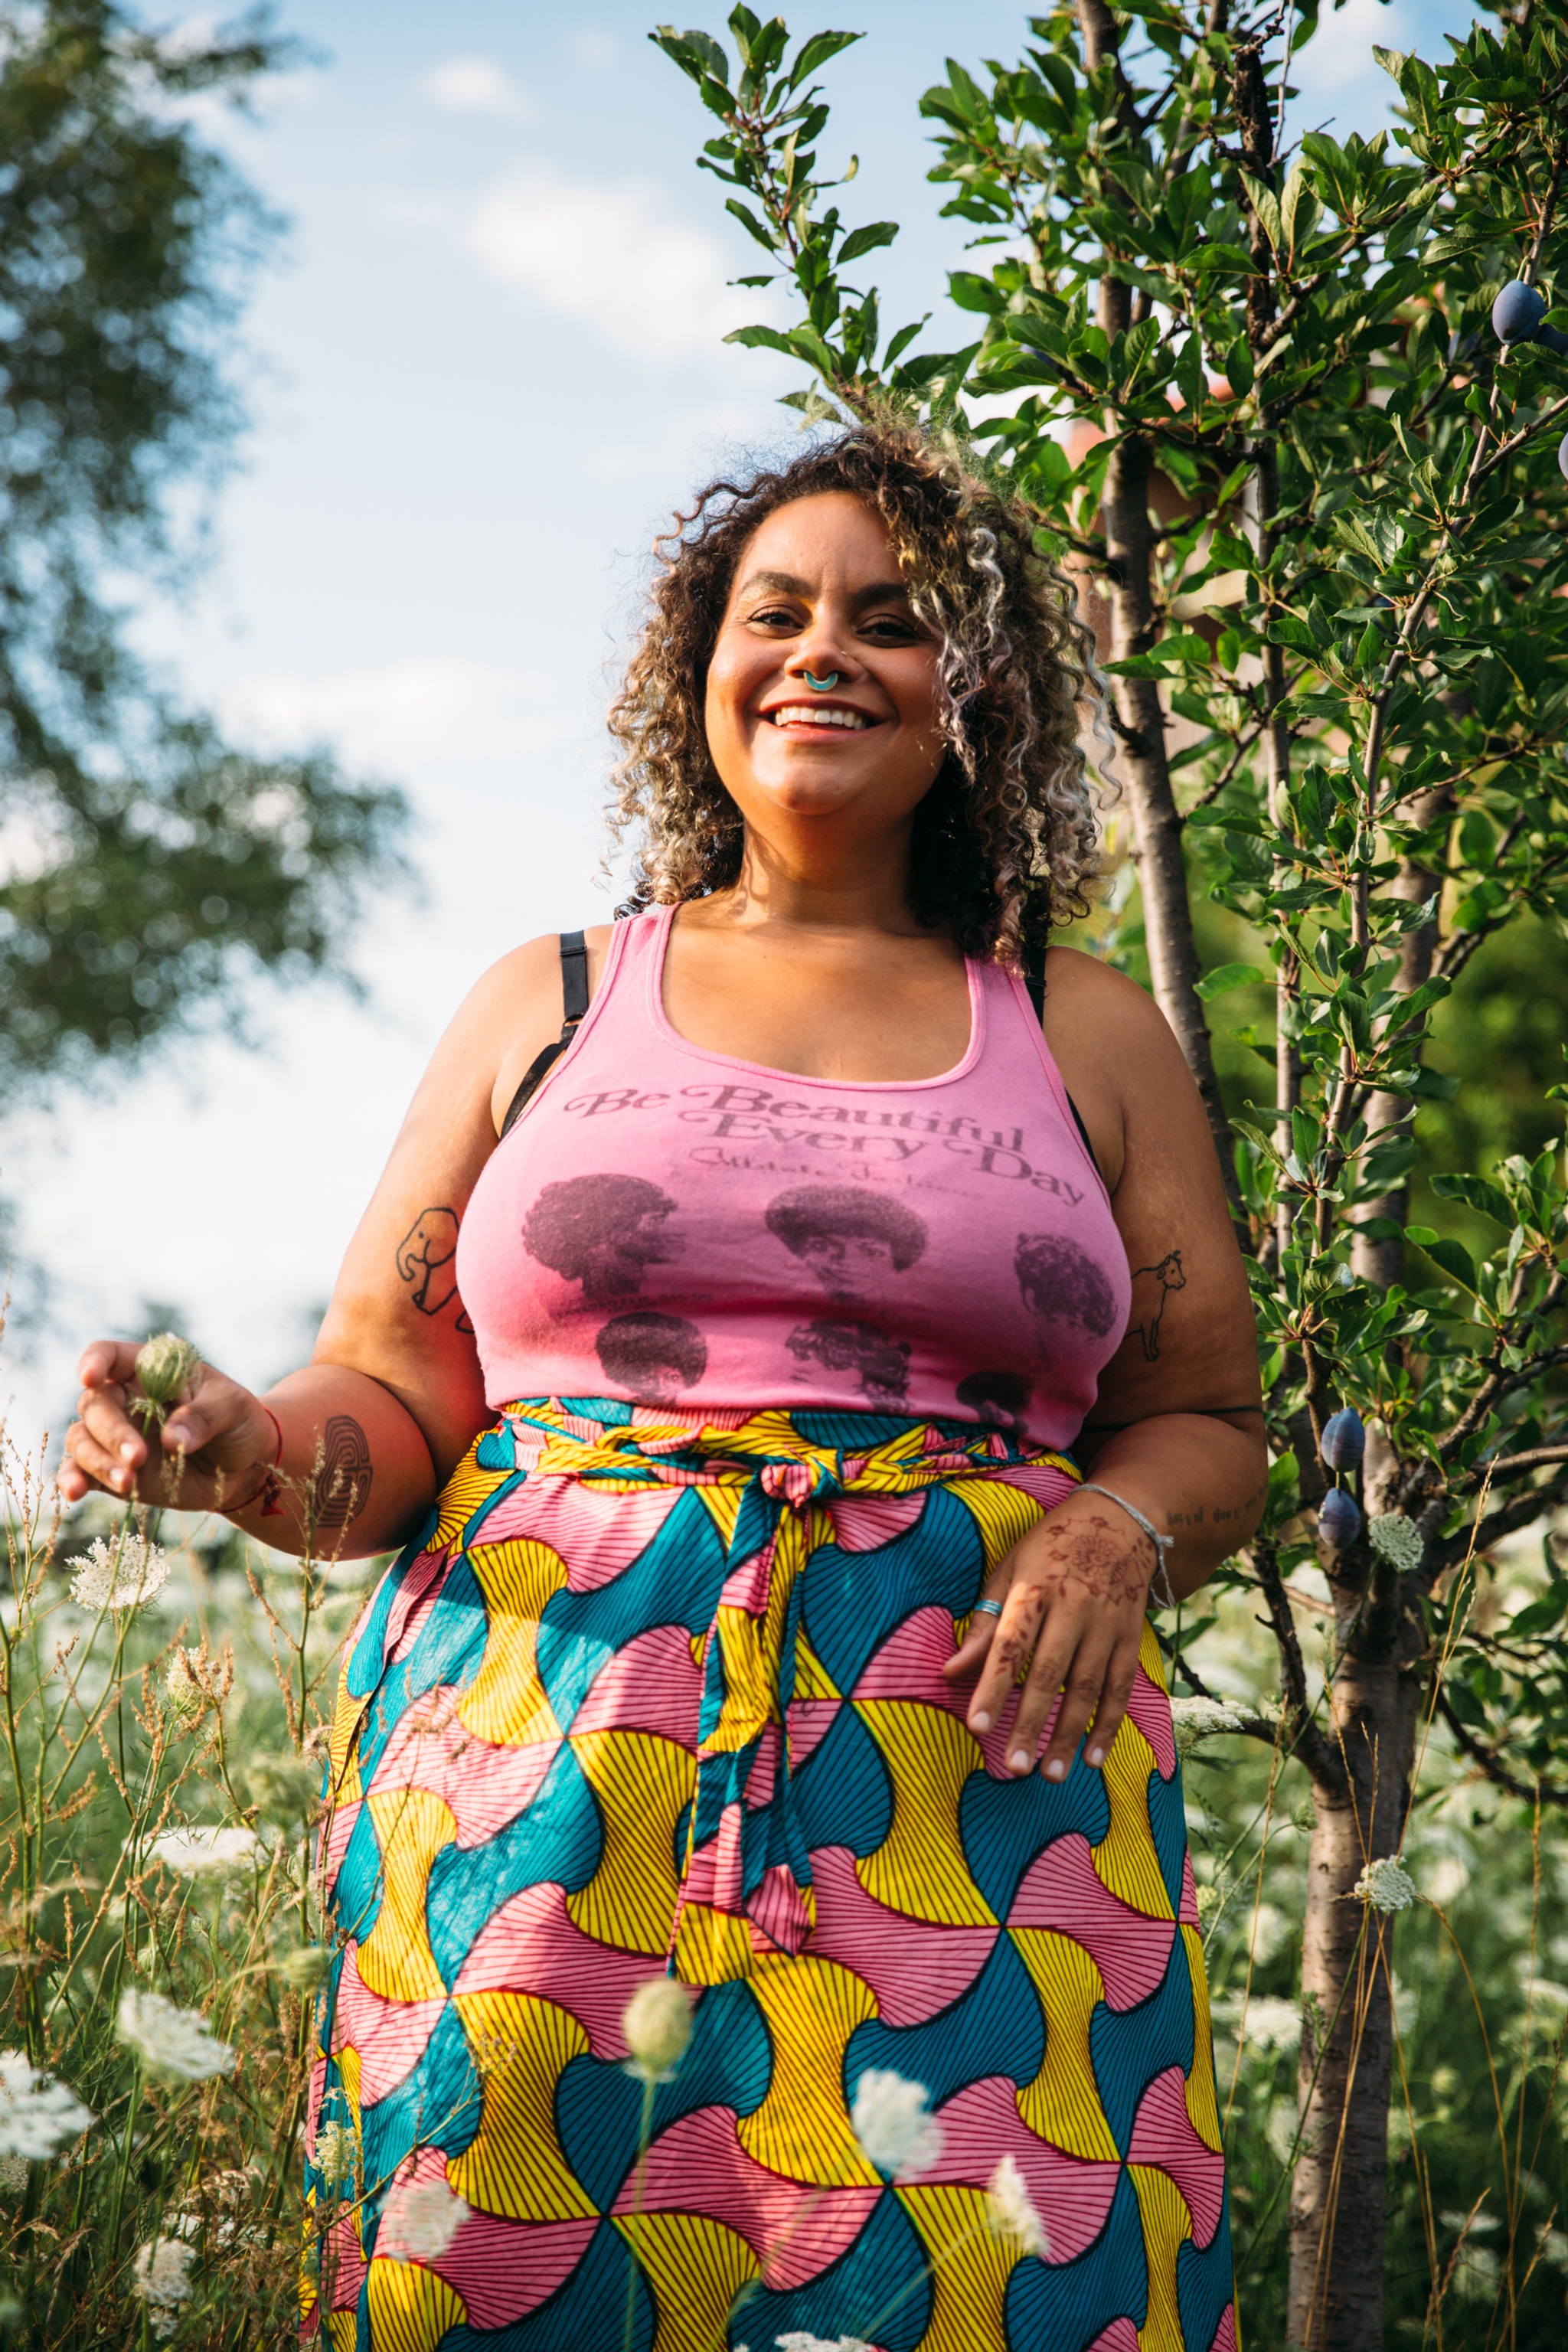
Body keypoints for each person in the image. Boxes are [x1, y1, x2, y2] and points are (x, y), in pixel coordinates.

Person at [60, 423, 1266, 2352]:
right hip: (541, 1777)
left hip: (983, 1797)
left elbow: (1210, 1419)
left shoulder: (1078, 1022)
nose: (820, 653)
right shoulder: (546, 999)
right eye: (770, 611)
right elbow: (384, 1392)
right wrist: (237, 1455)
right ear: (695, 667)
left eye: (891, 621)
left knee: (988, 2292)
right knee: (502, 2273)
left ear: (973, 693)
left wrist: (1119, 1527)